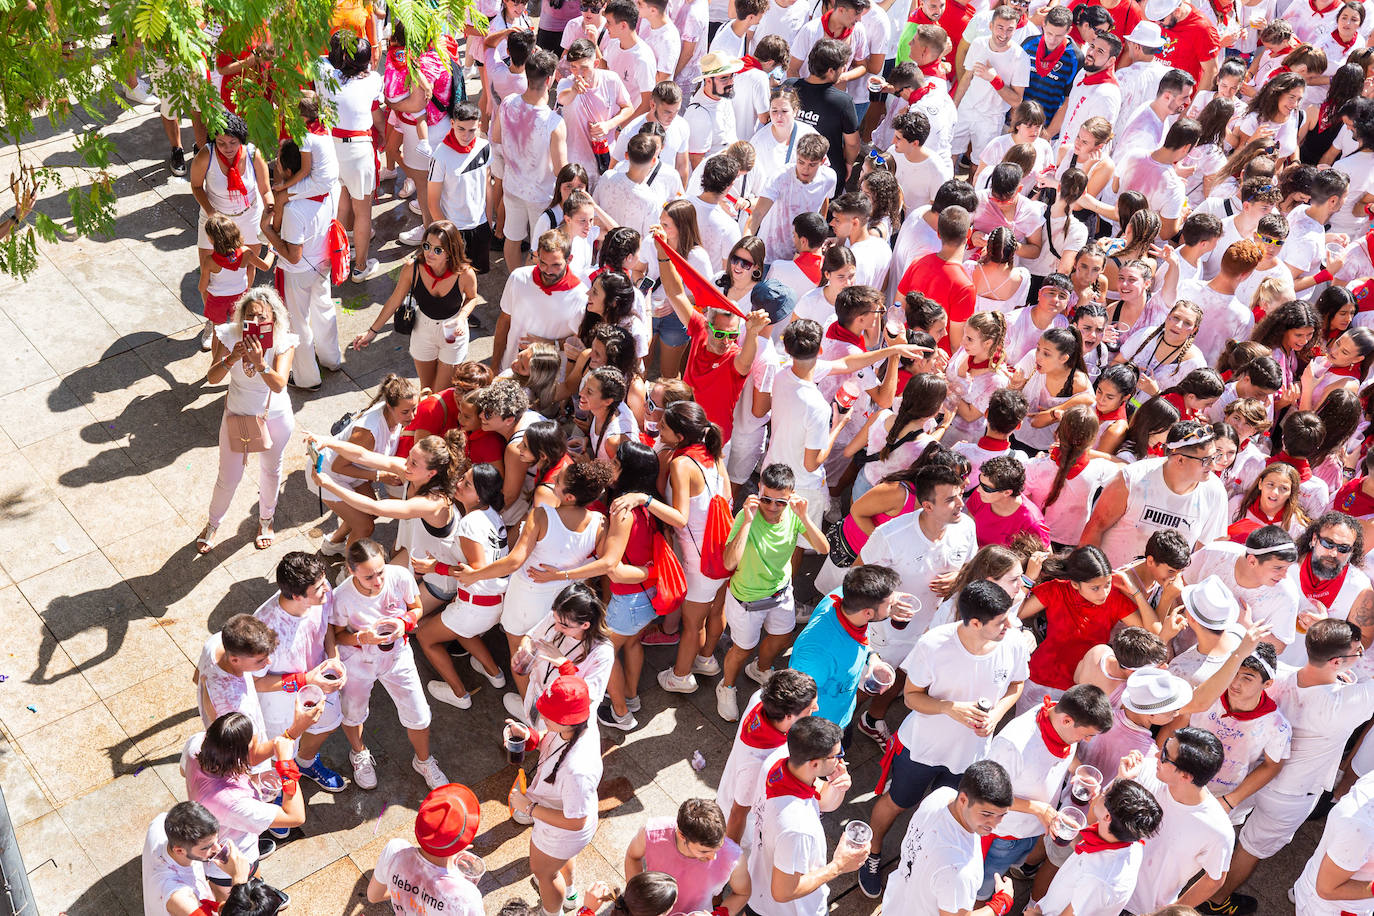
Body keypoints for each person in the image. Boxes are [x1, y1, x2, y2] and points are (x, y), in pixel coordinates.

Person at [858, 579, 1026, 897]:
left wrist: (997, 714)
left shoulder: (1013, 642)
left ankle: (921, 862)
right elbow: (910, 698)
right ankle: (873, 852)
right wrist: (950, 709)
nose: (1010, 625)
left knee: (949, 814)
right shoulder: (934, 645)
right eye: (1001, 621)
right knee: (897, 802)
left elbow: (1016, 685)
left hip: (971, 755)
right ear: (975, 622)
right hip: (922, 748)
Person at [1201, 620, 1374, 915]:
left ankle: (1200, 868)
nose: (1360, 657)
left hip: (1253, 772)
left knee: (1227, 827)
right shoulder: (1347, 703)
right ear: (1335, 662)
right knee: (1251, 848)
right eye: (1357, 654)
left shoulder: (1277, 675)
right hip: (1291, 795)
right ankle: (1217, 900)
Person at [330, 538, 449, 791]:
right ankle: (358, 753)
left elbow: (416, 607)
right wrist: (364, 638)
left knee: (419, 713)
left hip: (397, 654)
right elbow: (338, 635)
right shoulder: (341, 597)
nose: (378, 581)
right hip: (359, 658)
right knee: (353, 711)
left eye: (381, 571)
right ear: (351, 571)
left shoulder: (400, 575)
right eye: (369, 577)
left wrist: (404, 622)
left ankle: (424, 760)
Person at [716, 463, 827, 720]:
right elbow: (728, 562)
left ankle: (760, 668)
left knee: (782, 637)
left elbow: (822, 548)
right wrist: (747, 522)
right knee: (742, 648)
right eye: (767, 499)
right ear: (758, 490)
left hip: (780, 592)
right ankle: (727, 686)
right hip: (747, 597)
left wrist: (804, 517)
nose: (773, 507)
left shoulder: (793, 516)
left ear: (791, 497)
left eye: (781, 502)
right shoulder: (746, 517)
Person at [982, 684, 1115, 895]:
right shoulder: (1013, 745)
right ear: (1067, 721)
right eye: (1087, 735)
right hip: (1004, 835)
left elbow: (1066, 755)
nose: (1088, 741)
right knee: (984, 889)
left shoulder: (1059, 721)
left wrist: (1078, 770)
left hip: (1032, 829)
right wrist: (1039, 809)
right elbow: (985, 797)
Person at [198, 288, 297, 554]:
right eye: (250, 316)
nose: (255, 322)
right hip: (236, 416)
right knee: (228, 476)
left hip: (273, 417)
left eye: (262, 317)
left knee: (271, 471)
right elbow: (213, 378)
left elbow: (279, 385)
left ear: (273, 319)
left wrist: (261, 363)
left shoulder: (283, 342)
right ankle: (213, 523)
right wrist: (232, 358)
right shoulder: (229, 335)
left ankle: (266, 519)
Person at [411, 463, 512, 710]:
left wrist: (434, 568)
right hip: (494, 605)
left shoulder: (470, 523)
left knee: (425, 635)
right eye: (462, 479)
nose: (458, 484)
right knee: (463, 631)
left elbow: (474, 573)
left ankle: (459, 694)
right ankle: (494, 674)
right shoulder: (492, 514)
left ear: (480, 494)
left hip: (475, 606)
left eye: (466, 484)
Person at [744, 716, 865, 916]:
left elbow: (825, 802)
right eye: (837, 754)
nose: (841, 759)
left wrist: (837, 786)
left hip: (758, 891)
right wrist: (839, 865)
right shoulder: (797, 827)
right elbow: (783, 892)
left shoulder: (781, 763)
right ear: (815, 764)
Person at [181, 713, 308, 902]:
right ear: (239, 755)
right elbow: (295, 816)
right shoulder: (231, 801)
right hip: (227, 861)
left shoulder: (197, 744)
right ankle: (257, 900)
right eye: (253, 741)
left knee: (255, 878)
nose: (257, 742)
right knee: (238, 902)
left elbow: (183, 771)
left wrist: (292, 732)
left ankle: (258, 887)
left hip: (227, 828)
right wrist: (286, 765)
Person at [508, 672, 603, 916]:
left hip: (563, 827)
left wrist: (528, 807)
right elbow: (551, 741)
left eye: (550, 716)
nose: (544, 719)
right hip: (566, 821)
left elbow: (576, 821)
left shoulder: (576, 770)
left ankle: (551, 912)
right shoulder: (583, 719)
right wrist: (530, 736)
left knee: (544, 873)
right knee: (558, 863)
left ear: (569, 721)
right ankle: (570, 894)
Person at [251, 552, 347, 793]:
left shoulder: (322, 594)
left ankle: (306, 763)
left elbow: (326, 629)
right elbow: (255, 682)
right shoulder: (264, 631)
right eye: (318, 587)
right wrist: (304, 680)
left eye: (324, 580)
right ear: (296, 596)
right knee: (281, 749)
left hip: (320, 682)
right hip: (280, 703)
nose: (327, 587)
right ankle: (276, 791)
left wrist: (333, 657)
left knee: (328, 724)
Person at [1080, 419, 1228, 568]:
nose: (1214, 465)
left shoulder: (1215, 492)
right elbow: (1095, 528)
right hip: (1112, 581)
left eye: (1214, 457)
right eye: (1205, 460)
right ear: (1180, 459)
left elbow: (1205, 553)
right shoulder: (1132, 479)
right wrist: (1092, 579)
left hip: (1163, 589)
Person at [882, 759, 1017, 916]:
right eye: (986, 814)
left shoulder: (942, 795)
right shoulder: (959, 870)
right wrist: (1001, 903)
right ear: (963, 800)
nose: (994, 824)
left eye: (1001, 815)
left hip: (897, 902)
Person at [259, 138, 340, 393]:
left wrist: (267, 230)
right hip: (323, 261)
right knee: (324, 309)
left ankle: (307, 378)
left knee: (297, 324)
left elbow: (293, 255)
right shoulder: (327, 190)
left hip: (298, 272)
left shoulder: (293, 209)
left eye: (278, 164)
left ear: (289, 172)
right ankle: (331, 359)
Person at [1029, 779, 1164, 916]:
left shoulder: (1098, 880)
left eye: (1104, 793)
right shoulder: (1132, 844)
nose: (1099, 794)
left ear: (1106, 817)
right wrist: (1071, 833)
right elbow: (1092, 853)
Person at [492, 48, 568, 274]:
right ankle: (531, 286)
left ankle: (516, 280)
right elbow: (561, 172)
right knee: (540, 249)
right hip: (540, 197)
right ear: (550, 79)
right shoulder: (553, 122)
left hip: (512, 187)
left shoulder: (507, 102)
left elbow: (495, 137)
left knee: (512, 239)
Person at [366, 784, 484, 916]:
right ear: (463, 844)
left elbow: (373, 896)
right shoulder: (466, 898)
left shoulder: (395, 851)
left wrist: (411, 892)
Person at [624, 798, 750, 914]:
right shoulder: (651, 833)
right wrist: (637, 901)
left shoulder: (734, 858)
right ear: (681, 835)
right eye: (704, 851)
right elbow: (632, 856)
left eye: (718, 848)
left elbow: (742, 893)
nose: (714, 857)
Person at [143, 801, 252, 915]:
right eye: (207, 847)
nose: (217, 849)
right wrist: (239, 882)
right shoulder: (181, 898)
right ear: (179, 850)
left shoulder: (160, 823)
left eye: (216, 840)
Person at [791, 39, 861, 194]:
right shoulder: (843, 101)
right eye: (843, 67)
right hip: (826, 174)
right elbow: (852, 143)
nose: (844, 70)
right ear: (830, 71)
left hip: (790, 167)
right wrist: (848, 164)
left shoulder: (789, 88)